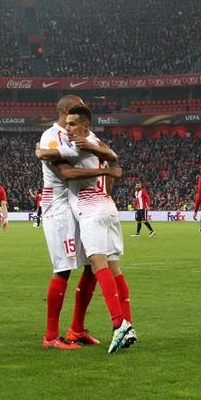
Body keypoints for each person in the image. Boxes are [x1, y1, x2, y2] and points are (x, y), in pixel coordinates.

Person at [38, 105, 134, 353]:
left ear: (84, 125)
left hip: (88, 207)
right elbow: (106, 159)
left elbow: (103, 157)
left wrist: (40, 150)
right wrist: (105, 166)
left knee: (93, 266)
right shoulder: (73, 139)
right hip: (79, 208)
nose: (68, 127)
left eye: (73, 123)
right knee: (79, 268)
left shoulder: (81, 141)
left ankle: (90, 328)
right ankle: (59, 333)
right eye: (67, 122)